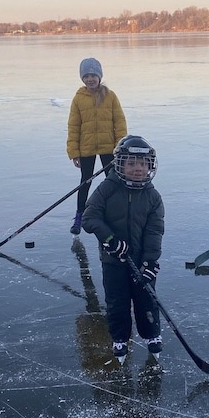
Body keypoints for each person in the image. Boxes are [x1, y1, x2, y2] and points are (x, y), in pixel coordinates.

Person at [82, 135, 164, 362]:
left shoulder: (152, 196)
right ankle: (119, 337)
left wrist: (151, 261)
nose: (137, 168)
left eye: (142, 163)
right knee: (117, 301)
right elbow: (89, 218)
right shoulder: (107, 189)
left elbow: (154, 232)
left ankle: (151, 334)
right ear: (120, 164)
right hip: (113, 260)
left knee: (146, 298)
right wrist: (109, 238)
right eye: (130, 163)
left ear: (150, 166)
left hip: (140, 261)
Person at [66, 57, 128, 234]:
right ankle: (79, 216)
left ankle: (114, 214)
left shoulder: (110, 96)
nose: (90, 79)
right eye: (86, 76)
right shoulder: (78, 99)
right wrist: (74, 152)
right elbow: (73, 126)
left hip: (109, 148)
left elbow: (120, 122)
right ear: (82, 78)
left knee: (112, 181)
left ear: (99, 76)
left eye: (93, 75)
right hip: (86, 148)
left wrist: (120, 146)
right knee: (85, 182)